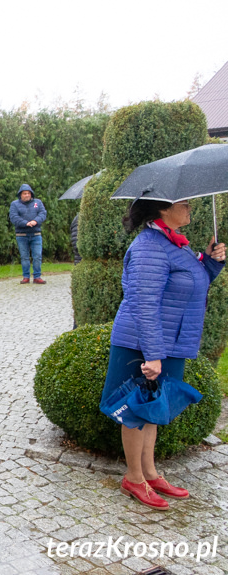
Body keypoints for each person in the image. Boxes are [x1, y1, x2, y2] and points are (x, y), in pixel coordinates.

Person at [103, 198, 224, 510]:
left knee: (153, 409)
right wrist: (153, 354)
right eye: (182, 203)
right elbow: (144, 303)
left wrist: (211, 263)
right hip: (141, 344)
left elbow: (191, 285)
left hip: (166, 342)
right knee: (136, 409)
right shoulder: (149, 247)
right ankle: (133, 478)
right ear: (161, 209)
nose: (189, 207)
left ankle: (150, 473)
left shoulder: (176, 244)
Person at [9, 183, 47, 284]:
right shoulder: (14, 204)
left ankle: (37, 276)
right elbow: (13, 217)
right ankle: (26, 276)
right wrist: (25, 223)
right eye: (25, 193)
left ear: (31, 194)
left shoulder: (38, 203)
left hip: (36, 234)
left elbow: (43, 213)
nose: (27, 195)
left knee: (37, 256)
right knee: (24, 257)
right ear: (20, 194)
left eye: (28, 193)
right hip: (21, 235)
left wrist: (35, 221)